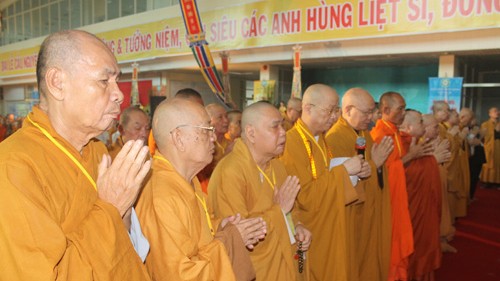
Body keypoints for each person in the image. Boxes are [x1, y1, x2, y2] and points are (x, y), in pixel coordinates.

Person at [0, 30, 151, 280]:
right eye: (104, 81)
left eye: (116, 80)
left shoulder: (98, 151)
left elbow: (127, 245)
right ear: (57, 82)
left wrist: (121, 212)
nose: (119, 94)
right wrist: (110, 208)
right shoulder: (13, 167)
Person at [136, 97, 267, 280]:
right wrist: (230, 239)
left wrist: (220, 226)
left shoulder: (186, 179)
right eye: (207, 130)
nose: (214, 137)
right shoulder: (161, 195)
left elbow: (194, 233)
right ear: (179, 138)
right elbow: (179, 274)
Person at [209, 101, 312, 280]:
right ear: (251, 133)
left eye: (282, 125)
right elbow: (239, 236)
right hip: (258, 271)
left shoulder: (277, 166)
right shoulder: (231, 172)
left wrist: (299, 226)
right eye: (275, 127)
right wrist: (279, 211)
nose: (283, 133)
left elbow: (291, 210)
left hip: (286, 260)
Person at [280, 84, 365, 281]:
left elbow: (327, 178)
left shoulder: (320, 139)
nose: (335, 117)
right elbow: (304, 196)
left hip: (330, 222)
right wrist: (344, 172)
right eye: (330, 110)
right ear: (308, 108)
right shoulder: (292, 143)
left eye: (336, 110)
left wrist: (356, 174)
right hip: (311, 229)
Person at [325, 88, 393, 281]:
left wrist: (377, 165)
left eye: (373, 111)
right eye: (366, 112)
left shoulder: (363, 133)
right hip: (353, 214)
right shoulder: (335, 138)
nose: (371, 117)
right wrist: (375, 163)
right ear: (348, 110)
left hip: (370, 209)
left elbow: (371, 165)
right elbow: (341, 182)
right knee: (356, 260)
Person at [370, 92, 431, 281]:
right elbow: (383, 170)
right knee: (392, 243)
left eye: (404, 108)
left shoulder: (395, 132)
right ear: (386, 109)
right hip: (387, 199)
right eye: (400, 109)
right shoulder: (380, 134)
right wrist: (411, 156)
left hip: (399, 196)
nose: (403, 113)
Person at [400, 110, 443, 281]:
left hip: (425, 206)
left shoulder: (418, 143)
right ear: (409, 127)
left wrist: (431, 160)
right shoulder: (402, 143)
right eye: (420, 123)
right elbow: (403, 174)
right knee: (414, 245)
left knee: (425, 243)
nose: (424, 127)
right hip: (411, 207)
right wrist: (433, 161)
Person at [148, 87, 204, 155]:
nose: (202, 113)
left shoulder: (202, 129)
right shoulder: (161, 129)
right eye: (197, 109)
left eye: (202, 108)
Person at [480, 106, 500, 187]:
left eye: (498, 111)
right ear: (489, 114)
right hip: (489, 148)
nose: (497, 112)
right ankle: (487, 181)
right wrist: (496, 130)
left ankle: (497, 181)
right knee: (488, 163)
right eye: (495, 111)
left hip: (498, 147)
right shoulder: (485, 124)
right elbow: (485, 137)